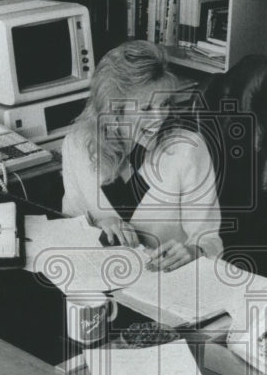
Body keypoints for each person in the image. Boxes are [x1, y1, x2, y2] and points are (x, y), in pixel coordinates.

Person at [61, 40, 223, 271]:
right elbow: (70, 223)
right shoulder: (76, 145)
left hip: (166, 278)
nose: (160, 118)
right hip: (100, 273)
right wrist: (99, 224)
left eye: (165, 104)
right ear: (114, 114)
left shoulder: (187, 149)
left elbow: (209, 240)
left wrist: (192, 251)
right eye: (146, 109)